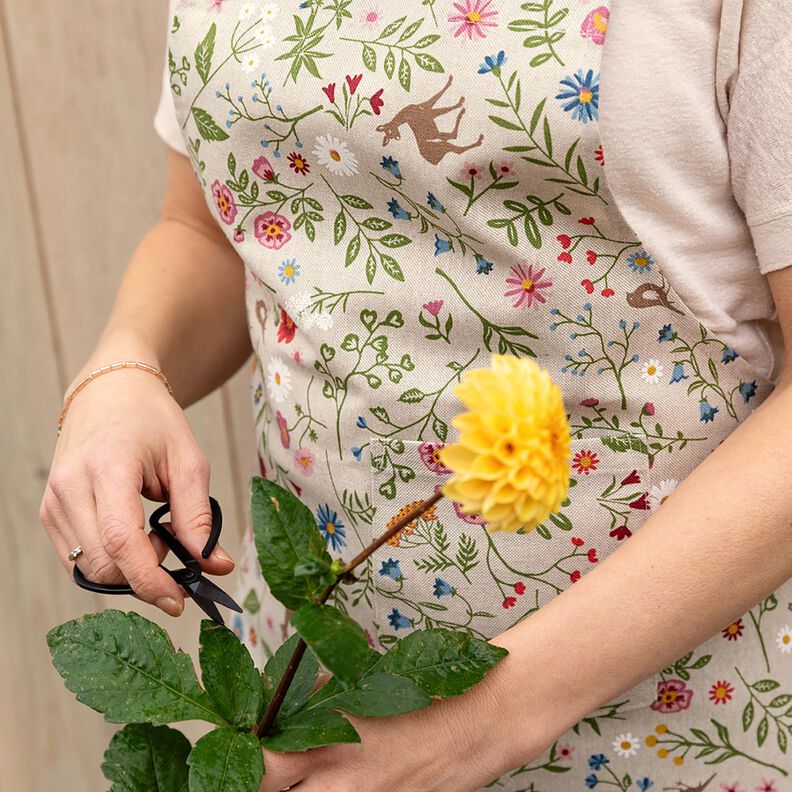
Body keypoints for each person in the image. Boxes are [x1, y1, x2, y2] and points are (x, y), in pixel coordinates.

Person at [39, 0, 792, 789]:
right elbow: (216, 227)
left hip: (663, 723)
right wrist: (126, 365)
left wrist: (477, 727)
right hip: (315, 700)